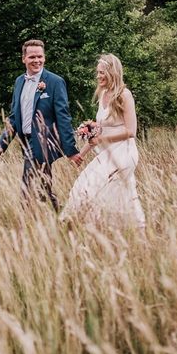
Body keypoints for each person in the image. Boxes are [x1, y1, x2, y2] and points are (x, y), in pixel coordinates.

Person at [0, 39, 80, 210]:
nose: (37, 60)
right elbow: (13, 117)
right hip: (25, 142)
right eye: (32, 57)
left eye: (40, 56)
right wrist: (1, 145)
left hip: (43, 141)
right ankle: (58, 216)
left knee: (27, 187)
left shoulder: (55, 82)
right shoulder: (19, 82)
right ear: (23, 58)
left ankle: (24, 221)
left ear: (44, 58)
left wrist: (70, 150)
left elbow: (63, 117)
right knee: (44, 188)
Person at [61, 54, 145, 229]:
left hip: (124, 152)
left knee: (94, 191)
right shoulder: (103, 95)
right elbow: (99, 131)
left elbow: (131, 131)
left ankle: (96, 228)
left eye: (102, 73)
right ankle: (133, 232)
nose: (98, 76)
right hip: (107, 153)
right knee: (121, 194)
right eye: (97, 72)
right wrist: (81, 155)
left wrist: (103, 138)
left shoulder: (124, 95)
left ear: (112, 73)